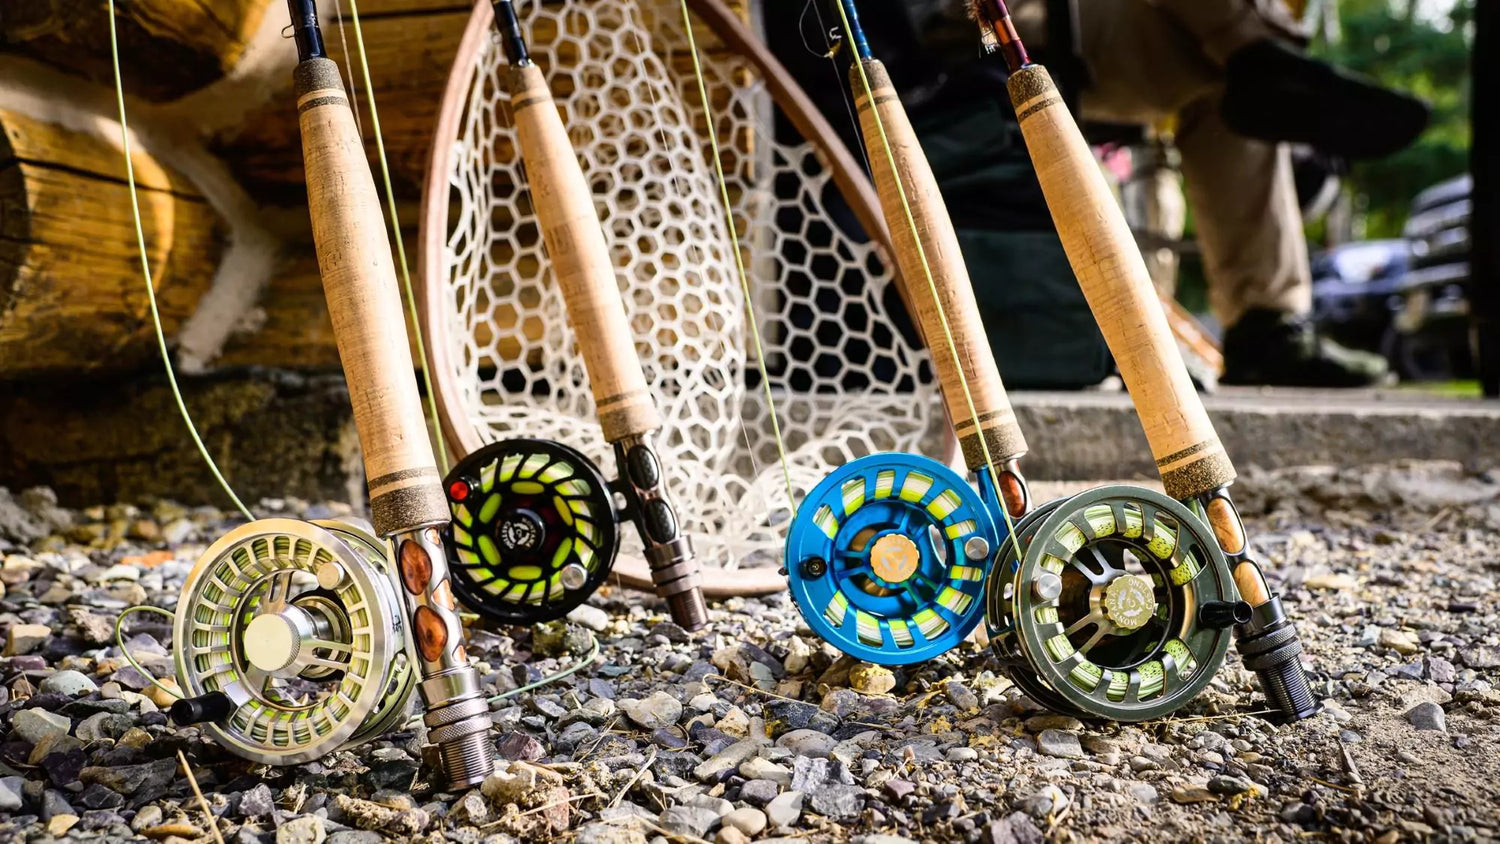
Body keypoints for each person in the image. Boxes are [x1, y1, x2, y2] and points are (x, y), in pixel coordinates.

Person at [947, 0, 1431, 386]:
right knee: (1231, 72)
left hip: (1074, 25)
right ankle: (1258, 50)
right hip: (986, 19)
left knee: (1230, 87)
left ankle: (1267, 327)